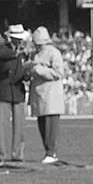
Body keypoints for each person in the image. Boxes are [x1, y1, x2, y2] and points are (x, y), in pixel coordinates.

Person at [27, 26, 66, 164]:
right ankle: (47, 151)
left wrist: (39, 69)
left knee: (51, 125)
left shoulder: (54, 53)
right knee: (42, 124)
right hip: (38, 94)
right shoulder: (34, 54)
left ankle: (51, 152)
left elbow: (59, 73)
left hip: (51, 95)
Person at [0, 24, 31, 163]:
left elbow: (24, 71)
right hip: (4, 91)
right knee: (2, 126)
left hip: (18, 91)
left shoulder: (24, 53)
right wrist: (17, 53)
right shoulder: (3, 48)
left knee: (20, 126)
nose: (19, 41)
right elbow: (0, 54)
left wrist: (27, 73)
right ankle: (2, 154)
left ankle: (17, 154)